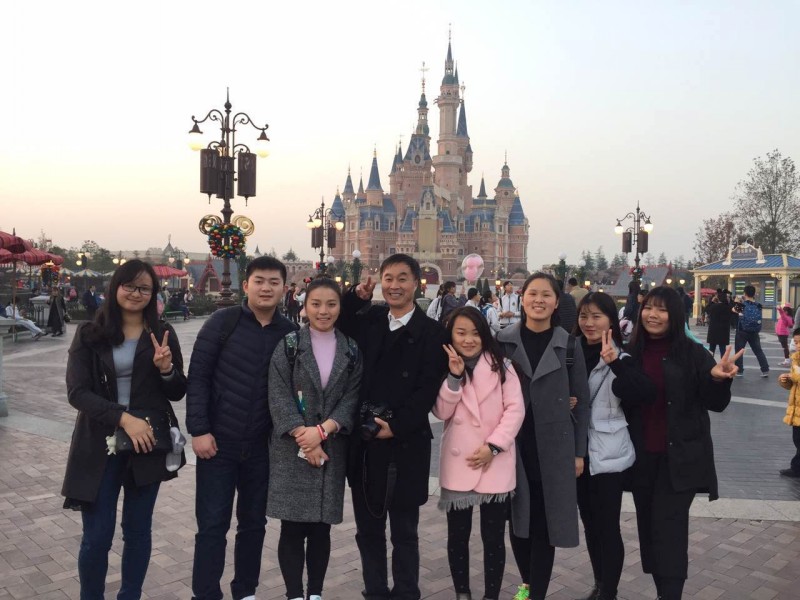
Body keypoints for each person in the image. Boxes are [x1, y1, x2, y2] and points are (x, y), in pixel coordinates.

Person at [61, 259, 187, 600]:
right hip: (98, 445)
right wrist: (124, 418)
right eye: (129, 286)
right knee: (97, 537)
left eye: (144, 288)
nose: (135, 293)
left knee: (138, 531)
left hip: (147, 446)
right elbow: (77, 392)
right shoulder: (90, 333)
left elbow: (178, 391)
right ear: (116, 287)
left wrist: (166, 370)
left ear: (153, 293)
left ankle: (130, 595)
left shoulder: (161, 333)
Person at [337, 253, 448, 600]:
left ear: (416, 283)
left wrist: (396, 426)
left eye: (402, 278)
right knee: (368, 530)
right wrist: (355, 297)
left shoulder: (433, 333)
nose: (394, 285)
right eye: (388, 278)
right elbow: (338, 322)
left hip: (405, 442)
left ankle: (406, 591)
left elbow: (427, 388)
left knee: (404, 532)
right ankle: (375, 590)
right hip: (366, 442)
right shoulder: (370, 319)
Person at [186, 256, 298, 600]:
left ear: (283, 288)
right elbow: (198, 377)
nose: (266, 288)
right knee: (212, 525)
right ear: (246, 285)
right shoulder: (223, 322)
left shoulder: (289, 334)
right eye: (259, 281)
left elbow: (297, 389)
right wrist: (199, 429)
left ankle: (245, 591)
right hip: (218, 444)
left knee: (253, 524)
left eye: (274, 282)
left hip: (262, 448)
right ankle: (206, 593)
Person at [621, 286, 741, 599]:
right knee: (650, 531)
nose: (653, 315)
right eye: (649, 308)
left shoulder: (692, 352)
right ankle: (664, 591)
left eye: (662, 309)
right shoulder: (630, 352)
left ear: (674, 315)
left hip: (679, 460)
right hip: (642, 459)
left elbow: (715, 403)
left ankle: (670, 594)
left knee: (669, 531)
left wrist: (718, 379)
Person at [496, 272, 590, 600]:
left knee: (544, 524)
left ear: (556, 302)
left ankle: (535, 593)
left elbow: (582, 401)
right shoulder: (502, 342)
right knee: (518, 520)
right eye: (532, 293)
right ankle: (527, 583)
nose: (539, 300)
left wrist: (579, 453)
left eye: (546, 294)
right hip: (514, 444)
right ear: (521, 298)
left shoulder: (569, 345)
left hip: (553, 448)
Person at [267, 277, 362, 600]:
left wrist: (321, 432)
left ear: (340, 308)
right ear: (304, 307)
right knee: (292, 527)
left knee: (321, 528)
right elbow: (278, 393)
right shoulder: (290, 345)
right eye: (316, 304)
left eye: (331, 304)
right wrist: (302, 435)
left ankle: (316, 593)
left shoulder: (351, 349)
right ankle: (295, 593)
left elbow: (352, 397)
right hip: (292, 449)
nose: (324, 311)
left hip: (330, 448)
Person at [433, 306, 524, 600]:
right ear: (451, 336)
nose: (468, 340)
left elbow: (515, 410)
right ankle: (462, 593)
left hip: (493, 461)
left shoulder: (503, 367)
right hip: (459, 463)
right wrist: (454, 377)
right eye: (461, 333)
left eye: (475, 333)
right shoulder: (444, 366)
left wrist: (494, 446)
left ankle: (491, 596)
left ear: (485, 335)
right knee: (457, 537)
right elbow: (441, 412)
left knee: (493, 538)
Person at [574, 292, 647, 600]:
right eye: (584, 316)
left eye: (597, 316)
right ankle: (600, 583)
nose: (589, 323)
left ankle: (609, 592)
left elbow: (641, 393)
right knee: (590, 525)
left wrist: (614, 362)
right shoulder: (570, 352)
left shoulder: (622, 357)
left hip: (609, 454)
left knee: (607, 526)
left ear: (611, 321)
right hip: (577, 455)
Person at [733, 285, 769, 378]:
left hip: (742, 331)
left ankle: (739, 371)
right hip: (754, 331)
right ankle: (765, 370)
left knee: (739, 351)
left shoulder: (742, 305)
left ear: (745, 293)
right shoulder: (758, 305)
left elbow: (733, 310)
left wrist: (737, 302)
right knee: (758, 351)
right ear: (754, 294)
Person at [778, 327, 800, 478]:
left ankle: (796, 467)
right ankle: (796, 467)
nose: (798, 345)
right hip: (796, 408)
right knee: (797, 439)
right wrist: (785, 380)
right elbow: (794, 384)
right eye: (796, 342)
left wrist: (795, 376)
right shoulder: (796, 359)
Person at [705, 290, 732, 358]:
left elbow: (706, 309)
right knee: (722, 349)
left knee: (711, 349)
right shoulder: (728, 307)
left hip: (713, 331)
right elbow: (735, 310)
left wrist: (712, 301)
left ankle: (710, 363)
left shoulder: (713, 307)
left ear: (718, 298)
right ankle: (723, 363)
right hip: (724, 331)